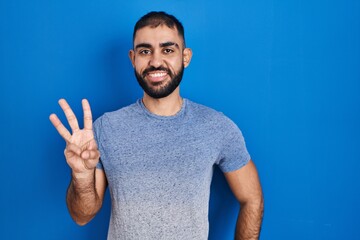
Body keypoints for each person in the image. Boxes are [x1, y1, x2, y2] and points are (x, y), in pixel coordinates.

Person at [49, 11, 264, 240]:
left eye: (168, 50)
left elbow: (252, 198)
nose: (155, 61)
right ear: (133, 58)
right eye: (145, 51)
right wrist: (81, 175)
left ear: (185, 57)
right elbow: (82, 216)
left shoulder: (216, 126)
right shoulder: (105, 128)